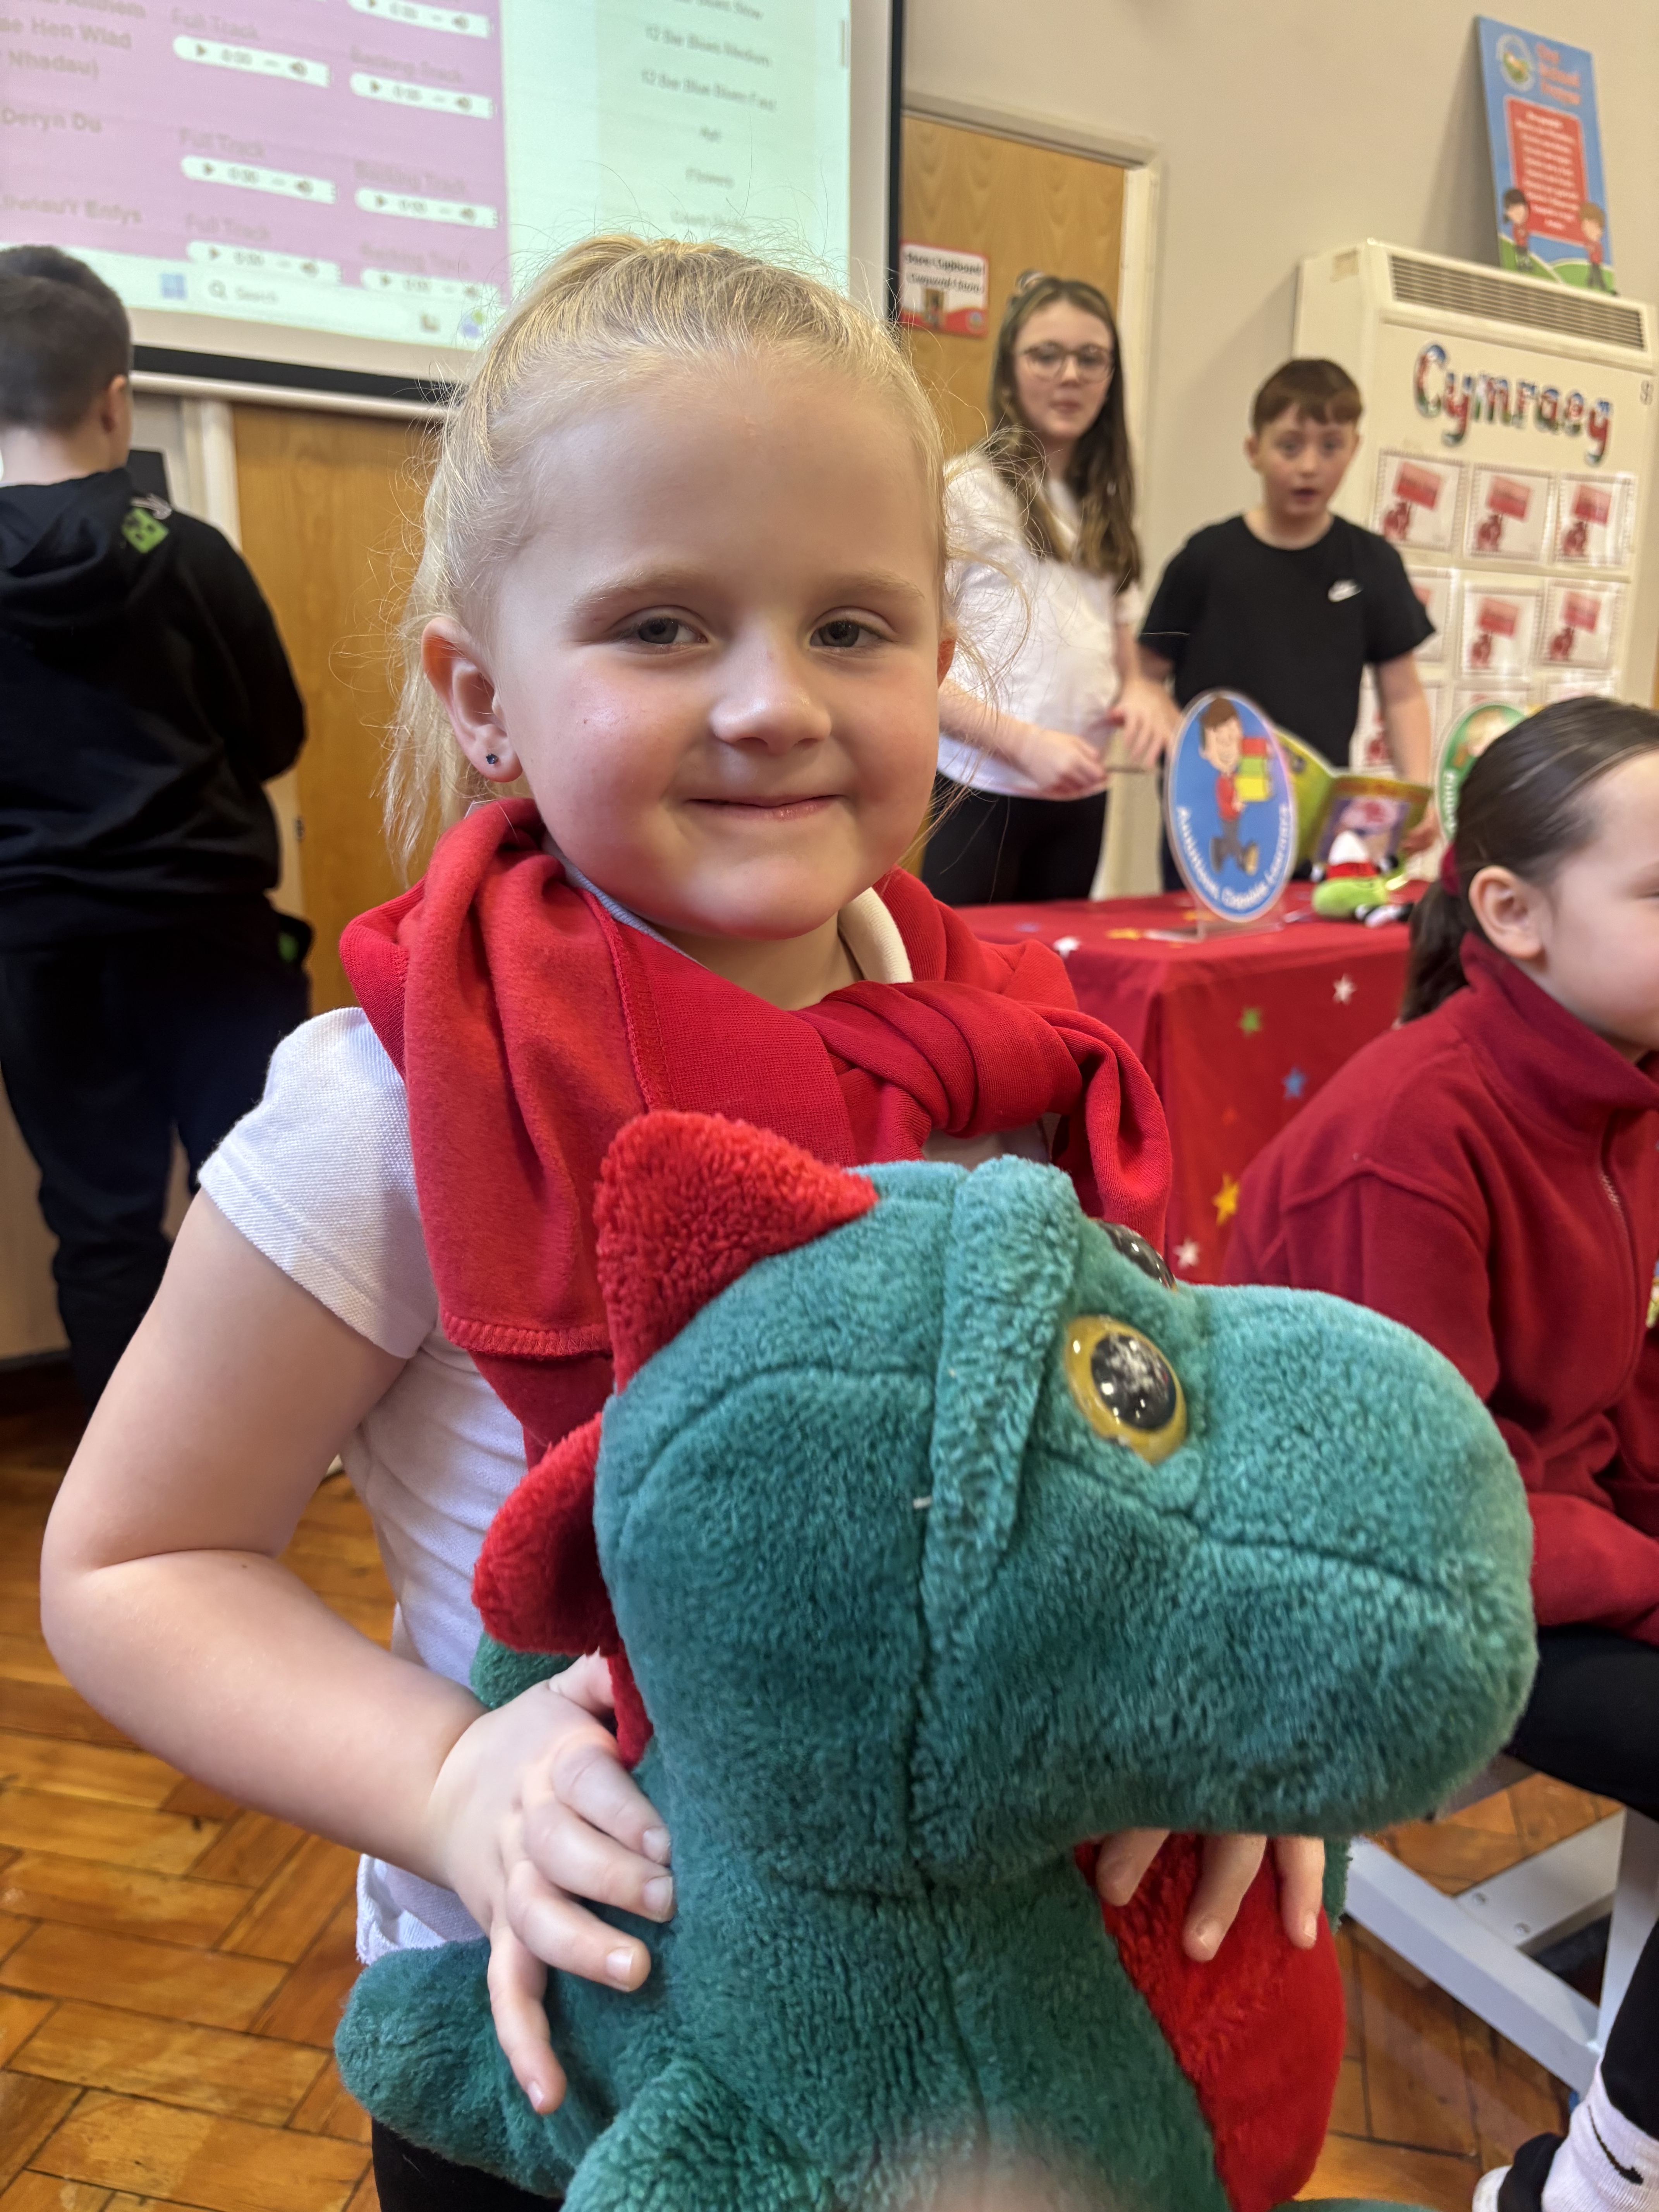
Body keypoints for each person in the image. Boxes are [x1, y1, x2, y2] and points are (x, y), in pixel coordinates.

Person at [40, 237, 1324, 2212]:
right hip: (576, 2057)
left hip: (972, 2049)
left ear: (941, 672)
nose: (769, 701)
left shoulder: (1016, 1051)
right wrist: (446, 1778)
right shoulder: (389, 1103)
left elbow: (1139, 1457)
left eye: (851, 626)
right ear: (483, 697)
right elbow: (135, 1560)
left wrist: (1227, 1687)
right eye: (658, 625)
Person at [1225, 700, 1659, 2212]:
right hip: (1379, 1595)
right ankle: (1588, 2188)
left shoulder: (1622, 1083)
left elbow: (1615, 1390)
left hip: (1530, 1544)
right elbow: (1428, 1513)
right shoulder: (1411, 1133)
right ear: (1512, 914)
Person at [0, 245, 308, 1406]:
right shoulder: (185, 551)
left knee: (98, 1219)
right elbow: (273, 733)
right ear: (116, 400)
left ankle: (124, 1476)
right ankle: (276, 1436)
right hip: (208, 932)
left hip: (38, 949)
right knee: (261, 1194)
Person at [921, 271, 1175, 907]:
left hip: (1080, 795)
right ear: (1010, 370)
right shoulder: (966, 491)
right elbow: (916, 665)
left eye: (1090, 359)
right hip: (982, 792)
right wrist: (1027, 745)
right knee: (965, 967)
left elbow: (1124, 651)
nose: (1070, 376)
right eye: (1046, 355)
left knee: (1052, 968)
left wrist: (1141, 692)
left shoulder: (1103, 504)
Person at [1139, 358, 1435, 799]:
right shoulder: (1205, 558)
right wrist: (1182, 749)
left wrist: (1418, 793)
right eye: (1290, 447)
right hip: (1211, 803)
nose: (1310, 466)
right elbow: (1145, 676)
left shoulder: (1373, 563)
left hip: (1316, 808)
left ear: (1354, 448)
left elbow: (1402, 695)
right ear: (1254, 450)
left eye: (1331, 446)